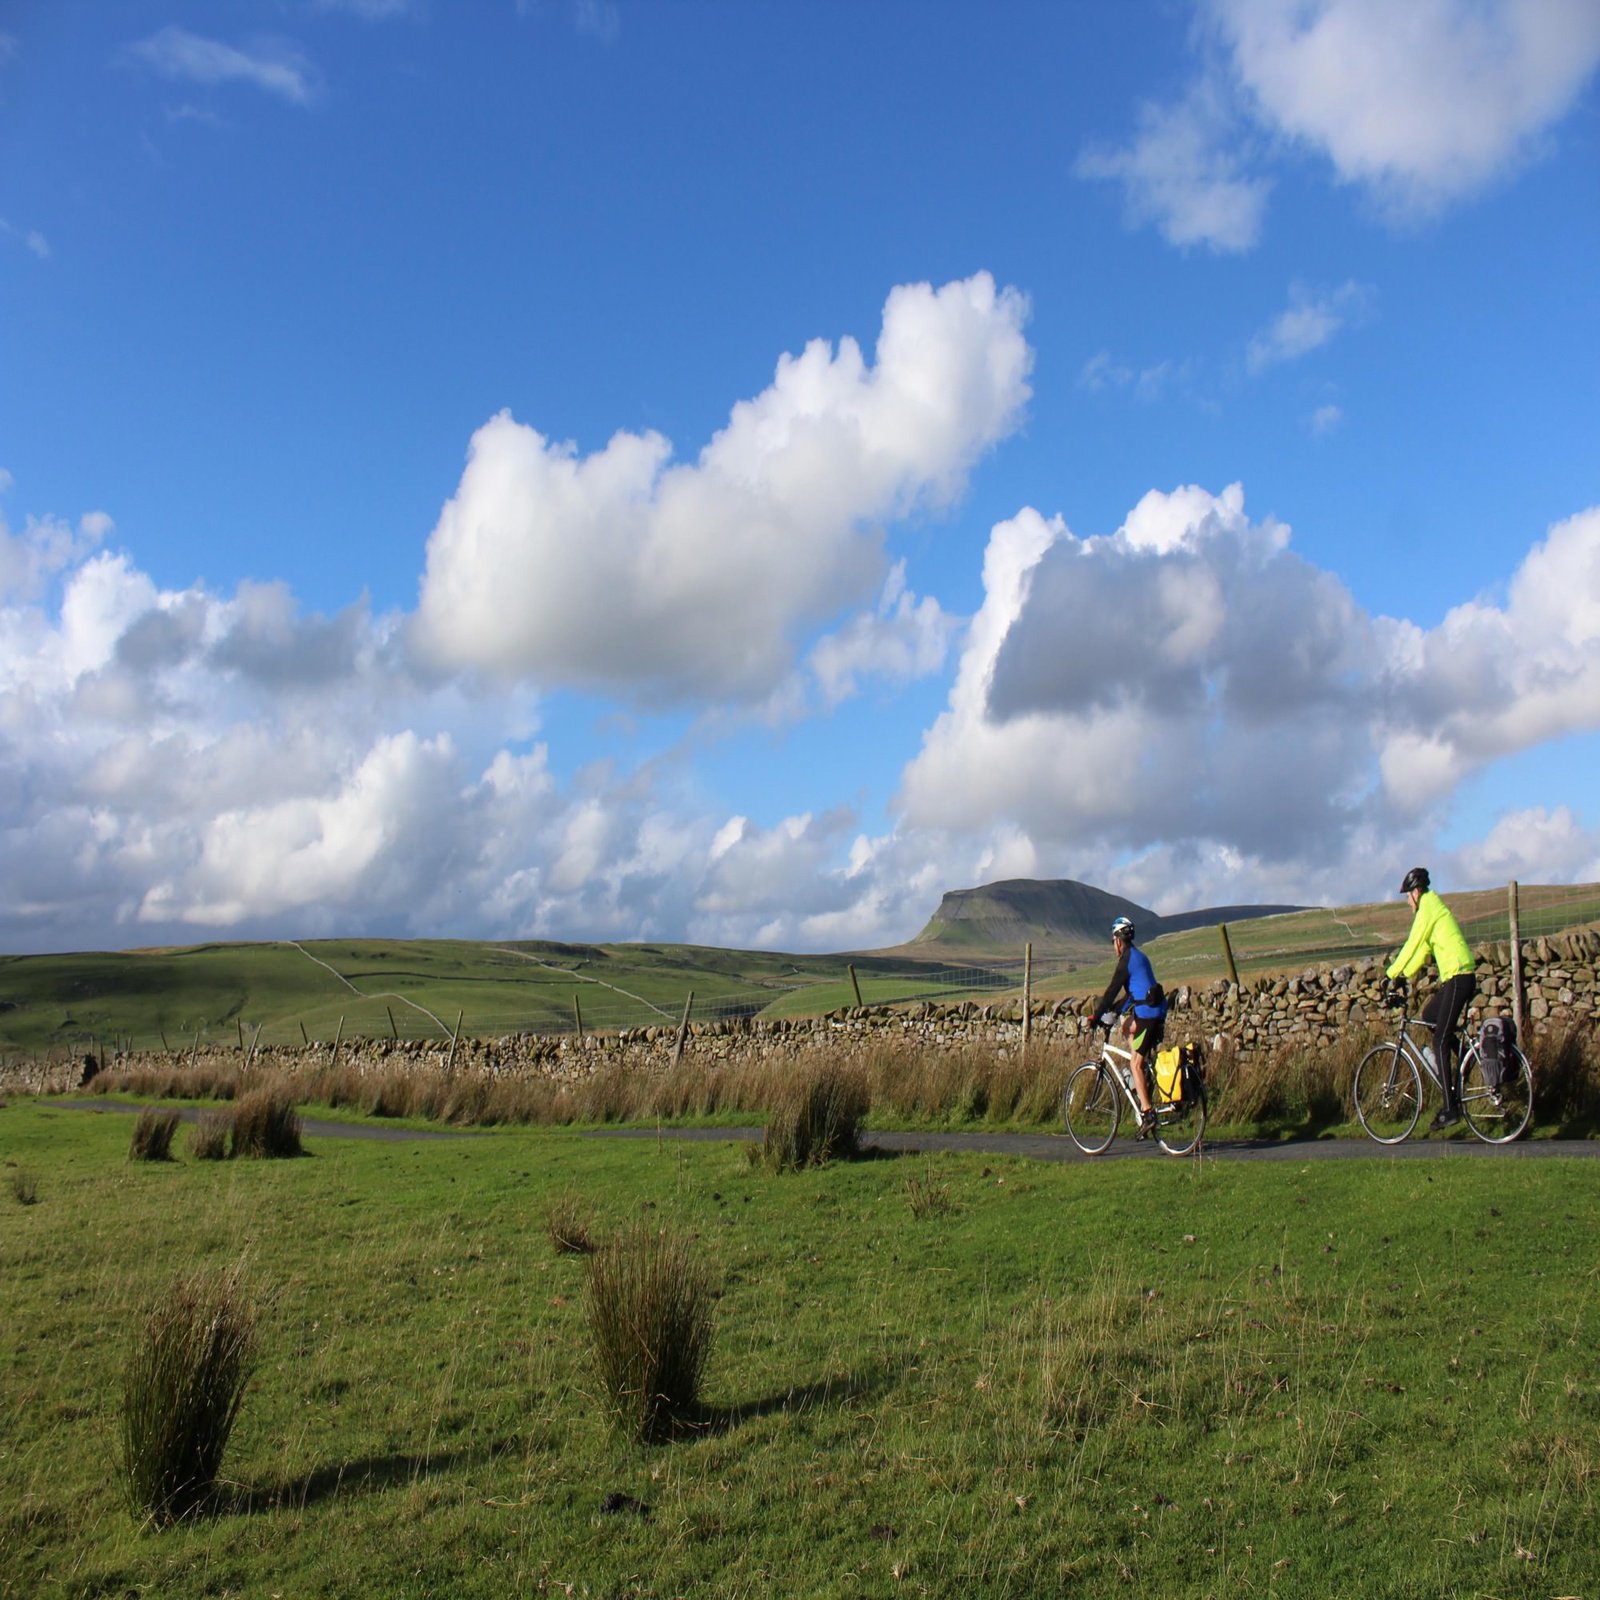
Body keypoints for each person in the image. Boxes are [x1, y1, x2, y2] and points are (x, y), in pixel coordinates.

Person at [1385, 867, 1477, 1132]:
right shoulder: (1431, 909)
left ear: (1416, 892)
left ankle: (1450, 1110)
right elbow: (1423, 949)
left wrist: (1389, 974)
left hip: (1460, 977)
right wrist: (1403, 976)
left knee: (1439, 1040)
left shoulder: (1428, 908)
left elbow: (1412, 942)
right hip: (1456, 978)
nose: (1407, 902)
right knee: (1429, 1016)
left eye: (1407, 897)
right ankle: (1463, 1058)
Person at [1094, 915, 1167, 1138]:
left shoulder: (1126, 961)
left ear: (1117, 940)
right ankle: (1142, 1078)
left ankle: (1147, 1113)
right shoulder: (1138, 956)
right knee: (1127, 1027)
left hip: (1149, 1015)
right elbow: (1130, 995)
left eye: (1112, 942)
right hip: (1153, 1012)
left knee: (1134, 1064)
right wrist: (1115, 1013)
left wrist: (1096, 1016)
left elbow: (1112, 991)